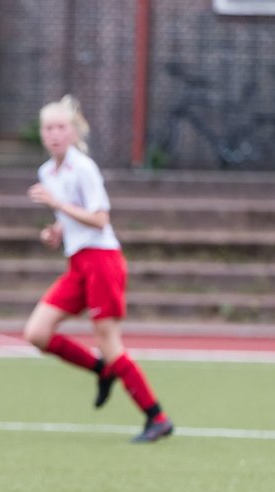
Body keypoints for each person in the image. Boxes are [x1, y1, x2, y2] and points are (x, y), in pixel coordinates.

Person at [24, 95, 173, 443]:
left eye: (61, 127)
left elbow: (100, 218)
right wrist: (54, 232)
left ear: (74, 132)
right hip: (78, 263)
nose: (55, 134)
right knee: (37, 333)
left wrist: (58, 205)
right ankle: (101, 369)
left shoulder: (84, 168)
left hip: (102, 261)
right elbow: (71, 220)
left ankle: (157, 417)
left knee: (108, 340)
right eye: (48, 128)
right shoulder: (47, 172)